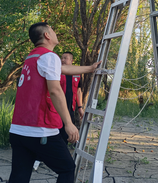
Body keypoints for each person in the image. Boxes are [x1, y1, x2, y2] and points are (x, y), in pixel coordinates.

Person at [8, 22, 100, 183]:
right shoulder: (49, 57)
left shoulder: (33, 57)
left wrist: (90, 68)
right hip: (40, 130)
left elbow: (64, 69)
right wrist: (69, 123)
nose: (55, 32)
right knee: (67, 168)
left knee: (19, 177)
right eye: (53, 30)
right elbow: (55, 90)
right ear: (47, 35)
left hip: (18, 130)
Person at [60, 51, 84, 144]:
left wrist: (80, 107)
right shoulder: (57, 71)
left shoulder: (77, 74)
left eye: (65, 58)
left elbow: (78, 91)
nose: (63, 60)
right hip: (57, 106)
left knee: (66, 131)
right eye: (62, 58)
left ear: (71, 60)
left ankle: (64, 148)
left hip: (70, 106)